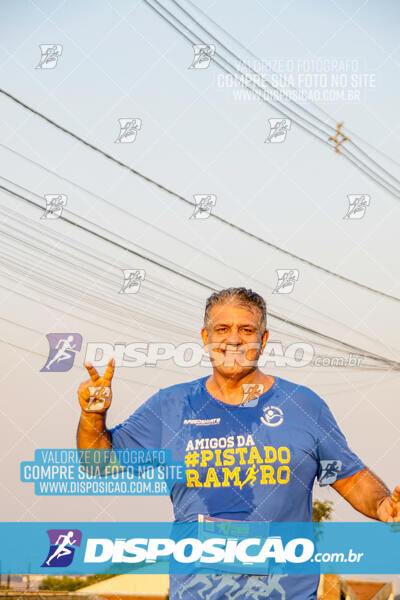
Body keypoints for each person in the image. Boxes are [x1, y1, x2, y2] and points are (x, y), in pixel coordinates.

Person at [77, 287, 400, 599]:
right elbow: (97, 465)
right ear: (206, 338)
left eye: (247, 329)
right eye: (222, 328)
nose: (233, 339)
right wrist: (94, 415)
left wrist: (383, 505)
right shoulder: (170, 405)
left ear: (264, 339)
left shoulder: (303, 404)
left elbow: (350, 475)